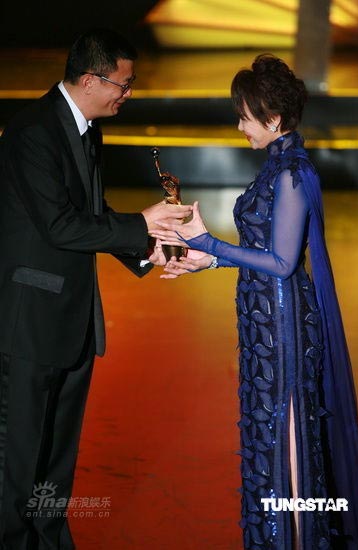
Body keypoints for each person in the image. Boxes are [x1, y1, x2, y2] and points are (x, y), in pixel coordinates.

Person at [151, 54, 358, 549]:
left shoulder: (292, 174)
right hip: (263, 324)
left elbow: (283, 263)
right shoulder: (276, 167)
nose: (240, 125)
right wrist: (210, 261)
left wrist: (209, 243)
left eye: (246, 116)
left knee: (285, 447)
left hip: (286, 328)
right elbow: (263, 255)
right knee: (268, 439)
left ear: (272, 119)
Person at [0, 28, 190, 549]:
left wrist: (153, 248)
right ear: (91, 79)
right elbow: (60, 227)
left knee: (57, 455)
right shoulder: (32, 132)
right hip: (30, 321)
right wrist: (142, 221)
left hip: (71, 319)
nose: (127, 95)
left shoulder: (87, 130)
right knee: (18, 458)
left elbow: (92, 217)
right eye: (123, 86)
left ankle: (50, 539)